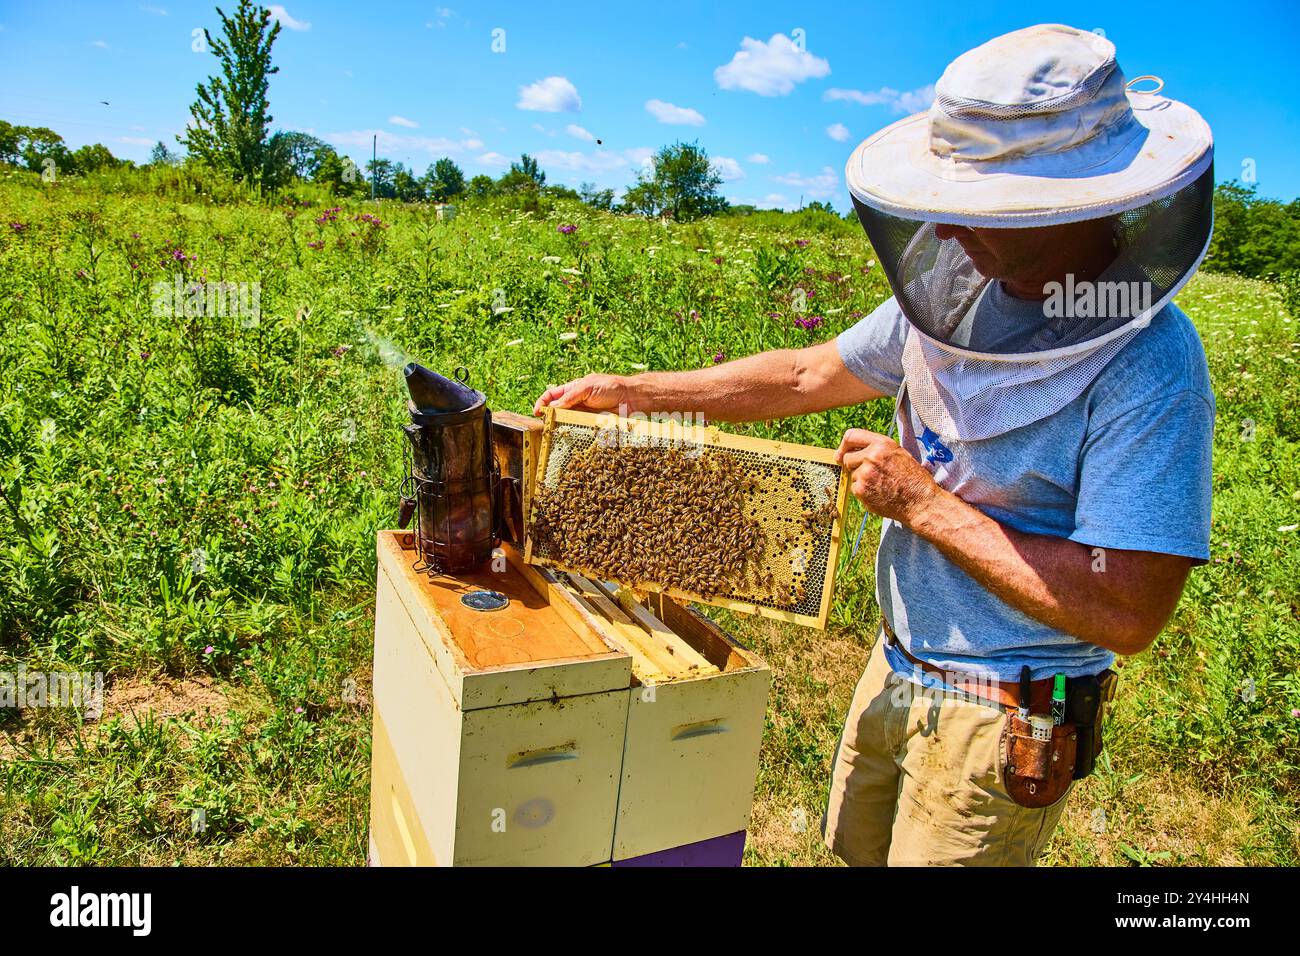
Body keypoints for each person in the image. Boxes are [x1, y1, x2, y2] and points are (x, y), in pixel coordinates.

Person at [533, 23, 1215, 866]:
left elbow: (1129, 607)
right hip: (896, 666)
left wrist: (925, 505)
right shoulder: (954, 294)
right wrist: (635, 392)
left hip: (1005, 713)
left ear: (1076, 203)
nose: (955, 233)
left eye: (988, 212)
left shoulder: (1151, 361)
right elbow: (801, 376)